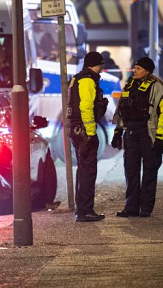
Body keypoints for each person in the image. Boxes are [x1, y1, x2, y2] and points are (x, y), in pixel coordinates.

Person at [111, 57, 163, 218]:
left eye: (138, 68)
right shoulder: (130, 85)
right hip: (131, 132)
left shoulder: (157, 87)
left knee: (150, 171)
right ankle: (131, 208)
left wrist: (159, 137)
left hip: (148, 133)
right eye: (135, 68)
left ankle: (146, 208)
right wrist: (118, 131)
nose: (135, 70)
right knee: (131, 171)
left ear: (147, 71)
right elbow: (122, 110)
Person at [67, 51, 108, 222]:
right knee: (88, 171)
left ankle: (83, 210)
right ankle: (85, 211)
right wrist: (90, 133)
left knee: (83, 170)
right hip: (84, 130)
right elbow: (86, 106)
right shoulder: (87, 80)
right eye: (100, 65)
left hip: (77, 129)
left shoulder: (78, 78)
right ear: (96, 65)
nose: (101, 69)